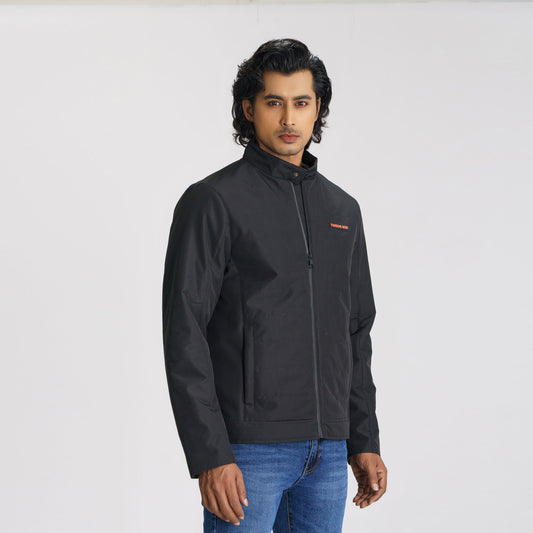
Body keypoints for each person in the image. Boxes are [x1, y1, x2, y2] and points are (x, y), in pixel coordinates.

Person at [162, 38, 388, 532]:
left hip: (328, 452)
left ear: (318, 108)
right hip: (248, 451)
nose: (289, 118)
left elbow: (355, 332)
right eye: (273, 102)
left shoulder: (342, 210)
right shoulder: (213, 201)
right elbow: (185, 333)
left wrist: (362, 438)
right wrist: (209, 453)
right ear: (249, 109)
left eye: (301, 102)